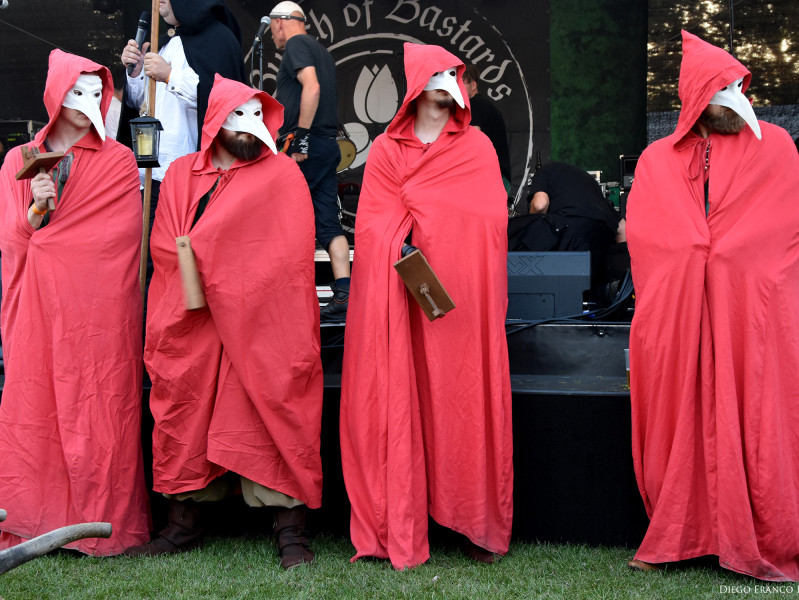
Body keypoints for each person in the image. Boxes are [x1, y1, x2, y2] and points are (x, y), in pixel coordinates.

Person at [123, 75, 324, 570]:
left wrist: (225, 272)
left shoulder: (282, 175)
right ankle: (183, 522)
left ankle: (290, 529)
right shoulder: (181, 174)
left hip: (263, 321)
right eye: (238, 116)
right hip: (193, 319)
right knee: (188, 409)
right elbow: (167, 243)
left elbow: (289, 254)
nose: (249, 127)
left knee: (271, 405)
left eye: (258, 117)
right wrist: (209, 270)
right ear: (214, 120)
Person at [626, 30, 799, 581]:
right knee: (680, 408)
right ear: (697, 96)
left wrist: (725, 256)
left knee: (754, 409)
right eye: (720, 88)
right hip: (681, 313)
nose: (733, 97)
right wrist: (696, 253)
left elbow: (781, 233)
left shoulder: (777, 147)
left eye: (738, 86)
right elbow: (651, 239)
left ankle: (763, 529)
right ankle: (685, 528)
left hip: (750, 313)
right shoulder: (658, 160)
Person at [340, 43, 513, 569]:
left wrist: (436, 232)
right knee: (399, 398)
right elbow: (372, 224)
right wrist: (402, 242)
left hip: (458, 302)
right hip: (400, 299)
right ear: (416, 84)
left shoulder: (478, 148)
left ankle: (474, 519)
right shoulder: (386, 151)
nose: (446, 82)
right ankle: (397, 519)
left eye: (453, 74)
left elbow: (490, 222)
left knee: (462, 399)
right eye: (436, 74)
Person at [0, 49, 149, 556]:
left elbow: (119, 241)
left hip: (95, 318)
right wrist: (36, 209)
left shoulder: (119, 161)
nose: (88, 102)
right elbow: (14, 242)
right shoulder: (18, 160)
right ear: (55, 94)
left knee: (98, 411)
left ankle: (99, 525)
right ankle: (31, 519)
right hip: (36, 313)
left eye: (96, 93)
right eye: (76, 92)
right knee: (35, 409)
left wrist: (54, 245)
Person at [118, 0, 246, 273]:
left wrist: (170, 76)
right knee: (148, 259)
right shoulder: (162, 42)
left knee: (184, 259)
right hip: (151, 171)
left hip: (192, 175)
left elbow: (224, 99)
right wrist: (136, 73)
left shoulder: (218, 39)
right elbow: (140, 102)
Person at [269, 1, 351, 321]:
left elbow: (312, 88)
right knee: (328, 221)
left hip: (307, 144)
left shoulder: (297, 44)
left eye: (271, 27)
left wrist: (300, 137)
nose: (271, 34)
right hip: (326, 145)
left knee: (283, 215)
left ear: (280, 22)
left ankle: (286, 295)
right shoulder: (322, 52)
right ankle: (343, 292)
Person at [509, 161, 623, 289]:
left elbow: (540, 205)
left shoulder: (544, 171)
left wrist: (531, 221)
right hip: (599, 240)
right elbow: (623, 230)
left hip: (568, 231)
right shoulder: (590, 185)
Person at [461, 63, 511, 194]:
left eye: (462, 83)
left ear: (473, 85)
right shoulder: (483, 105)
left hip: (492, 176)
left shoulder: (475, 104)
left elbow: (473, 140)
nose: (457, 88)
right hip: (497, 175)